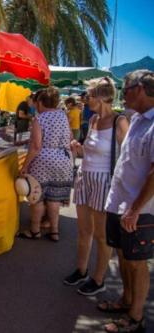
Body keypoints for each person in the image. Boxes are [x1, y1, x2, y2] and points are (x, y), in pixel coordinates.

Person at [63, 77, 129, 296]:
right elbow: (88, 152)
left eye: (88, 95)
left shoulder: (119, 122)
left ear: (102, 97)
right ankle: (81, 270)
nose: (85, 99)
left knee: (101, 235)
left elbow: (126, 159)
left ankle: (99, 278)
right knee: (84, 231)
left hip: (104, 182)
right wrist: (77, 148)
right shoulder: (92, 121)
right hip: (85, 178)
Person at [101, 70, 154, 333]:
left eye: (127, 87)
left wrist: (134, 209)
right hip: (120, 202)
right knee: (122, 256)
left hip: (139, 209)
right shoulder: (137, 119)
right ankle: (126, 300)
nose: (124, 92)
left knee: (136, 261)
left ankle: (136, 318)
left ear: (141, 89)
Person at [17, 87, 73, 242]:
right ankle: (54, 231)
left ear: (40, 102)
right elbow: (70, 138)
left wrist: (25, 166)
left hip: (43, 161)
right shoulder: (63, 116)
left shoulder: (40, 119)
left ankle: (35, 230)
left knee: (37, 197)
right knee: (54, 199)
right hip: (63, 159)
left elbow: (36, 146)